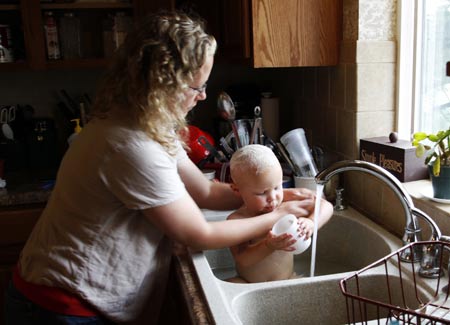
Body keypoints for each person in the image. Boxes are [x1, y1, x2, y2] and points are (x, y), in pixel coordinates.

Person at [4, 11, 330, 325]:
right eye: (196, 87)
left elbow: (204, 192)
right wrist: (274, 215)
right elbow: (198, 233)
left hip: (75, 299)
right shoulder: (130, 146)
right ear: (162, 83)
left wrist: (272, 194)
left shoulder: (150, 127)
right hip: (62, 305)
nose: (203, 96)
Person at [227, 145, 333, 283]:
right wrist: (268, 246)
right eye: (262, 192)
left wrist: (312, 222)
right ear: (237, 190)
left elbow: (326, 205)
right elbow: (243, 259)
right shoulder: (236, 220)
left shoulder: (286, 199)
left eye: (277, 187)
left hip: (287, 280)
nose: (273, 197)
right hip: (249, 283)